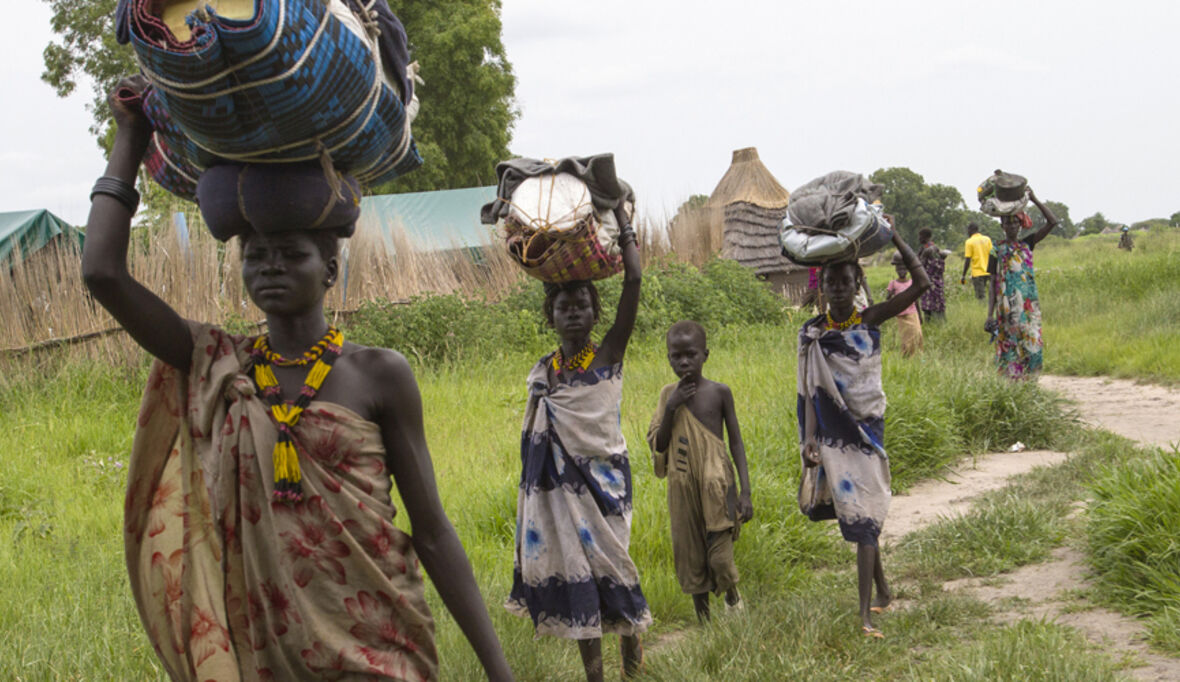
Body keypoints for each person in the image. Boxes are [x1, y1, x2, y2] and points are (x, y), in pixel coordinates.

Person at [82, 77, 512, 681]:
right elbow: (102, 273)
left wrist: (499, 669)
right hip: (265, 654)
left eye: (291, 253)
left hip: (378, 643)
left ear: (330, 268)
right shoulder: (218, 363)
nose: (271, 267)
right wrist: (130, 137)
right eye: (256, 255)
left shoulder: (379, 374)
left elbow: (433, 530)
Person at [505, 212, 650, 682]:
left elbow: (633, 280)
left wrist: (623, 221)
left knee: (616, 567)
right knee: (579, 575)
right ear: (549, 315)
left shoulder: (609, 354)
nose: (572, 311)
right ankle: (595, 676)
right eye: (563, 304)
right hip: (559, 494)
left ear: (595, 313)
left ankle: (632, 650)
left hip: (606, 486)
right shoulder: (544, 373)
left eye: (582, 304)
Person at [796, 230, 929, 639]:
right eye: (831, 281)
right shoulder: (812, 333)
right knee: (860, 516)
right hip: (832, 437)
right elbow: (807, 390)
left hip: (867, 429)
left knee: (865, 514)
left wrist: (895, 237)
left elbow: (922, 284)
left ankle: (864, 615)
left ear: (857, 285)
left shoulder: (870, 319)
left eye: (846, 281)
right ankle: (882, 592)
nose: (838, 288)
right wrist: (809, 440)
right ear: (822, 286)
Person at [647, 321, 753, 623]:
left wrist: (745, 492)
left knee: (720, 557)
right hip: (682, 486)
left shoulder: (720, 393)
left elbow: (735, 441)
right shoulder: (667, 394)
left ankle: (732, 596)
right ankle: (704, 623)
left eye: (690, 355)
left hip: (718, 484)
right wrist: (671, 407)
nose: (683, 362)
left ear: (705, 355)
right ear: (668, 358)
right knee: (691, 553)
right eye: (676, 356)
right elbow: (660, 443)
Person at [986, 188, 1058, 380]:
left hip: (1029, 308)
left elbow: (1053, 222)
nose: (1012, 227)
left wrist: (1033, 198)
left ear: (1021, 225)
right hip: (1007, 309)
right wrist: (989, 314)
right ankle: (1013, 387)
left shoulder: (1028, 244)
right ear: (1002, 225)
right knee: (1010, 348)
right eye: (1008, 223)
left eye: (1016, 223)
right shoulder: (995, 250)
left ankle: (1031, 383)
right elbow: (992, 283)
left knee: (1032, 347)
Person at [886, 252, 924, 356]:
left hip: (913, 313)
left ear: (907, 270)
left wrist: (920, 315)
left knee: (918, 334)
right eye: (899, 269)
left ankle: (918, 355)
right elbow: (888, 299)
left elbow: (916, 300)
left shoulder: (911, 282)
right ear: (896, 270)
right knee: (906, 338)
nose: (901, 271)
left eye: (903, 269)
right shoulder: (893, 283)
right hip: (901, 315)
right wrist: (891, 295)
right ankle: (907, 356)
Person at [917, 228, 947, 321]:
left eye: (920, 236)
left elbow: (920, 265)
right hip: (933, 282)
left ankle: (933, 324)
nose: (919, 238)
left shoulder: (929, 250)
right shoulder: (929, 248)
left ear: (926, 237)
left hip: (930, 282)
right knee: (934, 305)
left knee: (931, 305)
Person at [960, 222, 993, 300]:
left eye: (968, 230)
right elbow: (992, 255)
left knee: (980, 297)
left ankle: (983, 311)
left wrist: (963, 275)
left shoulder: (969, 242)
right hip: (989, 271)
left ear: (970, 230)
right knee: (992, 293)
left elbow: (968, 260)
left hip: (977, 273)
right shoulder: (987, 239)